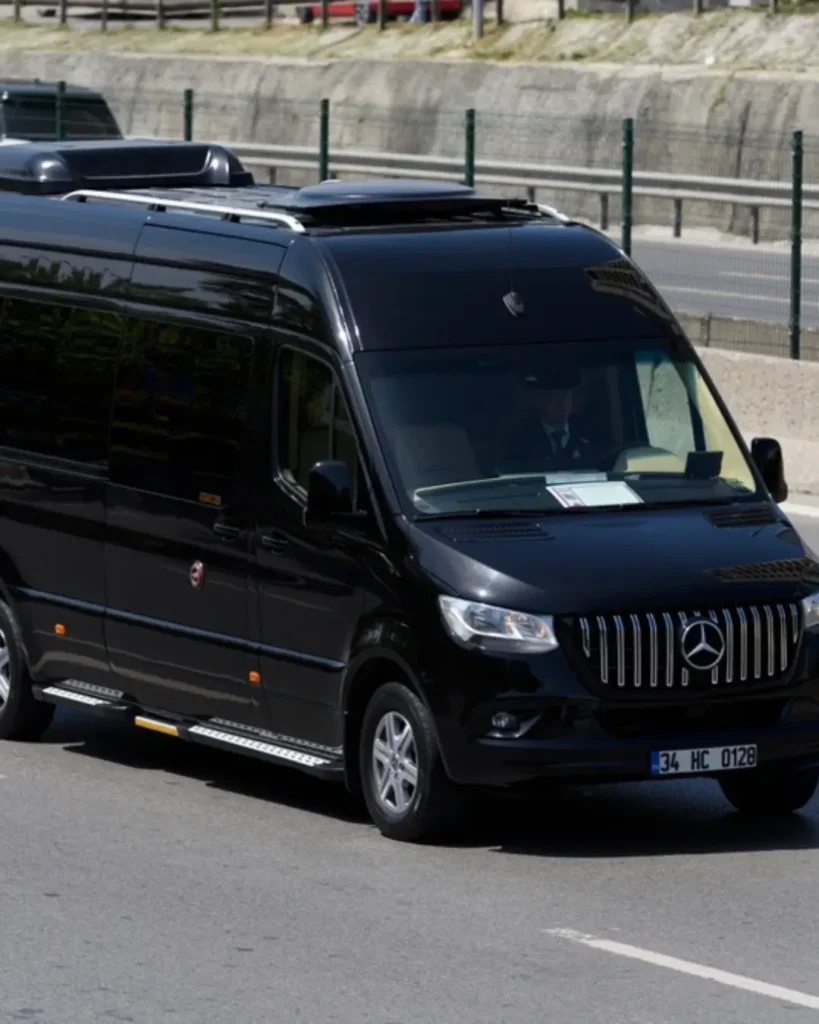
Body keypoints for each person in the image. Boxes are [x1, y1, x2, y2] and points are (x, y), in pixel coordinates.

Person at [497, 366, 592, 473]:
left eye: (566, 396)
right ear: (540, 401)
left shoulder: (587, 430)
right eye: (555, 398)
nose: (562, 404)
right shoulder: (520, 436)